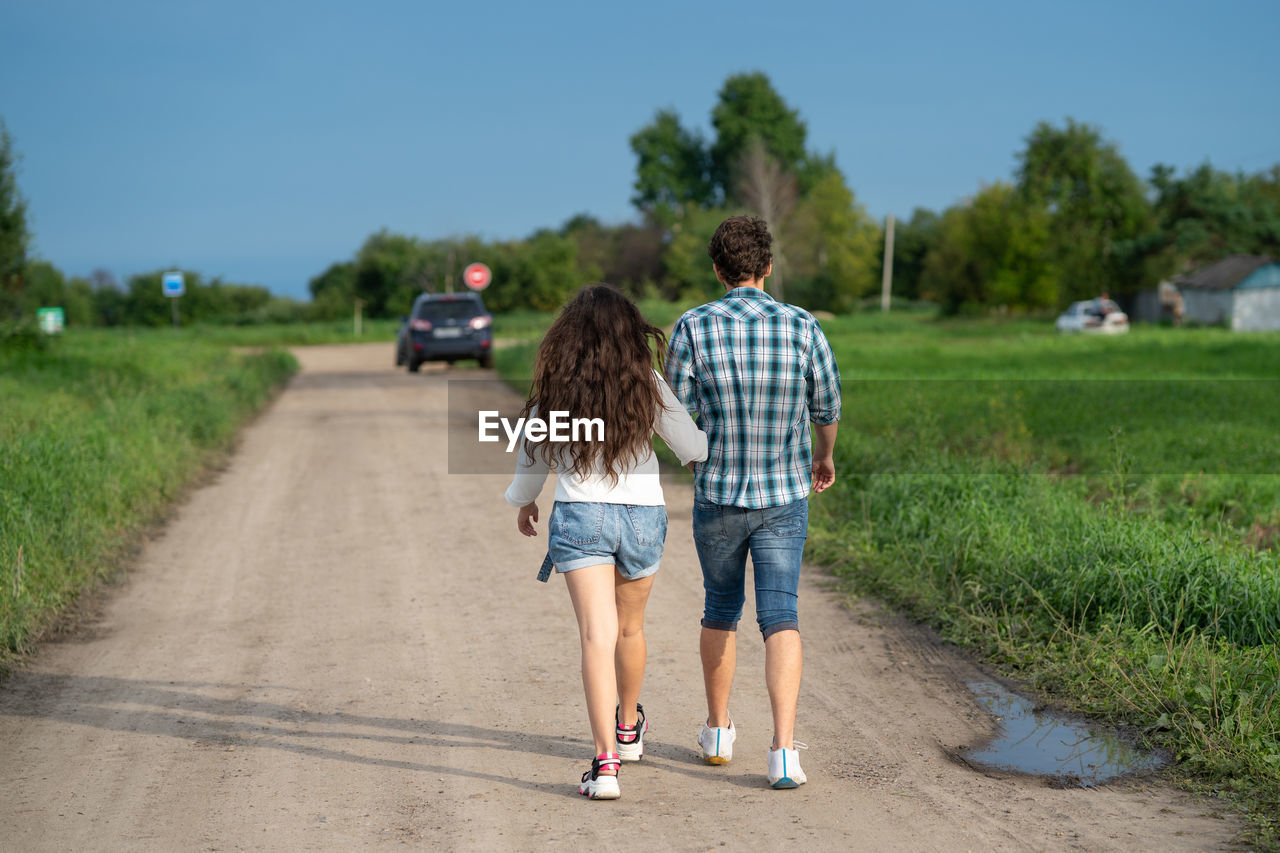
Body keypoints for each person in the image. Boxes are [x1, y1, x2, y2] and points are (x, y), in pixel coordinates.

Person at [505, 284, 708, 800]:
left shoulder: (556, 388)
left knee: (597, 634)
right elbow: (693, 448)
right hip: (643, 514)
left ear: (567, 338)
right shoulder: (647, 383)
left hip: (581, 513)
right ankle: (627, 728)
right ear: (629, 332)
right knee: (630, 629)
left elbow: (532, 454)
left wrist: (525, 502)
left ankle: (605, 766)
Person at [666, 215, 841, 789]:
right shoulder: (802, 325)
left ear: (717, 270)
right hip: (784, 494)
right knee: (780, 615)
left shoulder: (693, 326)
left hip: (718, 494)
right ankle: (784, 751)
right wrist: (823, 458)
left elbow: (674, 413)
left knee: (721, 609)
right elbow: (827, 405)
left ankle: (718, 731)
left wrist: (698, 459)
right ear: (767, 266)